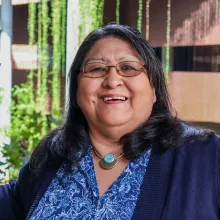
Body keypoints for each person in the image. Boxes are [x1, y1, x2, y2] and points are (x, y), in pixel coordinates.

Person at [0, 23, 220, 220]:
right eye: (96, 68)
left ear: (154, 90)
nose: (113, 80)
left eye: (128, 68)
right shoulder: (54, 154)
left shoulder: (208, 157)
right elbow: (14, 202)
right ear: (77, 92)